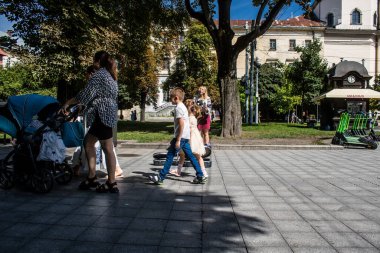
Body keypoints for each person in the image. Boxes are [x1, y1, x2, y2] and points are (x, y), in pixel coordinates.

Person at [63, 50, 119, 193]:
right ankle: (92, 177)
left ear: (97, 61)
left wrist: (68, 103)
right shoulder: (110, 75)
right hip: (108, 113)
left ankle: (110, 182)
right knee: (89, 143)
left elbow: (85, 94)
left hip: (102, 114)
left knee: (106, 147)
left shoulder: (99, 75)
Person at [149, 87, 207, 185]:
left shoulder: (179, 108)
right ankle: (200, 175)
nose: (170, 100)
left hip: (180, 137)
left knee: (170, 156)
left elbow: (181, 124)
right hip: (185, 137)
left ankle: (161, 177)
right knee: (191, 157)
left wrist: (178, 139)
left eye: (171, 98)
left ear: (176, 98)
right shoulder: (183, 107)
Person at [169, 99, 208, 178]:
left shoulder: (190, 118)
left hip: (191, 139)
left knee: (195, 156)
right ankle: (179, 171)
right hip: (194, 137)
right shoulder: (192, 117)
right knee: (183, 155)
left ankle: (203, 172)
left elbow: (189, 129)